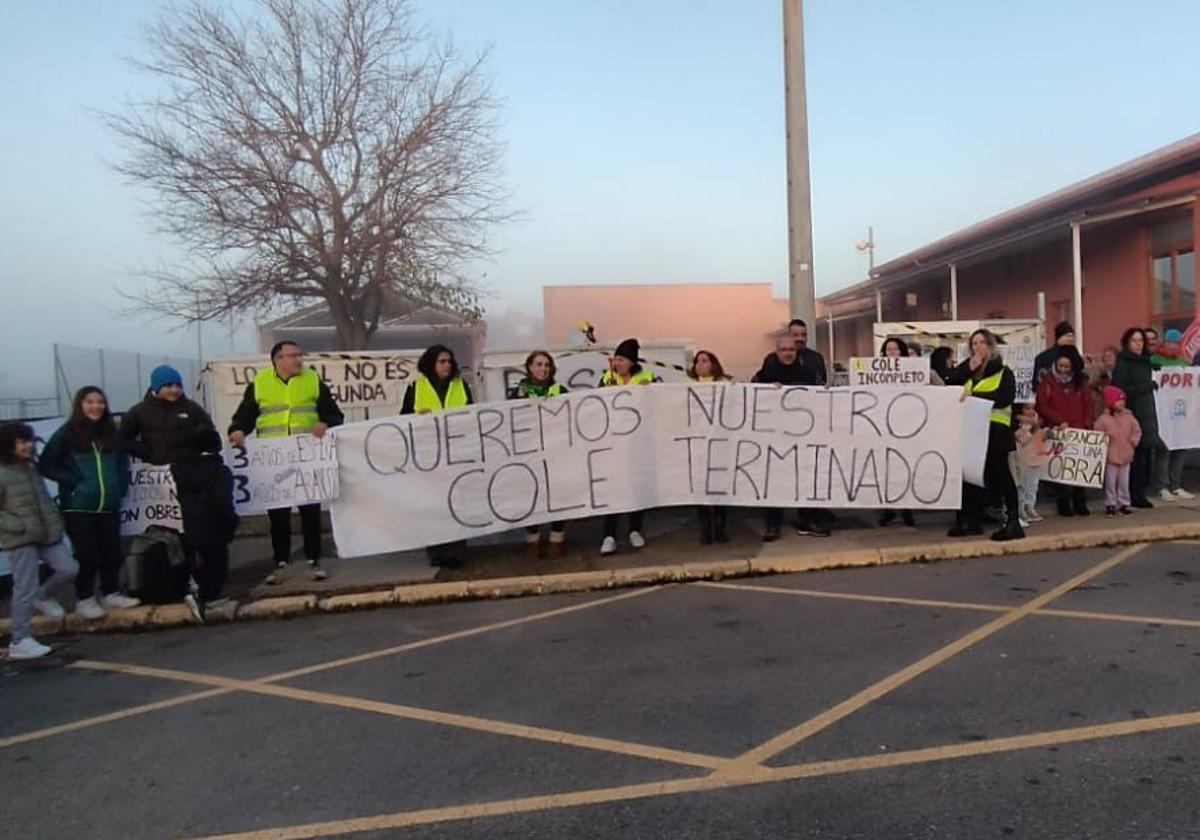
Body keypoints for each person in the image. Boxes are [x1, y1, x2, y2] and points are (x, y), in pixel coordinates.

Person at [119, 365, 238, 623]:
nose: (174, 390)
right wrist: (147, 454)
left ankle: (209, 587)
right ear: (156, 387)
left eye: (177, 385)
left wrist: (200, 439)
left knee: (201, 536)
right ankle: (178, 585)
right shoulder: (139, 412)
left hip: (191, 477)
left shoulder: (193, 409)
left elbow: (214, 441)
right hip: (162, 484)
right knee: (173, 539)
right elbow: (123, 438)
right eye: (168, 386)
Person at [228, 341, 344, 584]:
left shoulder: (312, 380)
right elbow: (246, 415)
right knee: (278, 515)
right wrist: (238, 430)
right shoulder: (260, 383)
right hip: (274, 461)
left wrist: (325, 423)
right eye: (293, 356)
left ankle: (314, 560)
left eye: (300, 355)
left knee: (310, 512)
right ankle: (281, 563)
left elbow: (334, 415)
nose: (299, 360)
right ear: (277, 359)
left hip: (307, 457)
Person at [39, 387, 140, 619]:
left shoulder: (112, 434)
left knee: (112, 551)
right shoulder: (67, 433)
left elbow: (123, 464)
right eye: (90, 402)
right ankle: (84, 599)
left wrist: (121, 486)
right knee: (87, 554)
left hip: (109, 504)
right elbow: (46, 464)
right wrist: (75, 482)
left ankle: (111, 592)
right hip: (79, 505)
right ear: (80, 405)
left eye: (100, 402)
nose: (96, 407)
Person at [1, 422, 78, 660]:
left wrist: (54, 524)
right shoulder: (3, 472)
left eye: (30, 441)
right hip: (21, 538)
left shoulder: (31, 469)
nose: (28, 446)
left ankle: (43, 596)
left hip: (45, 534)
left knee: (69, 568)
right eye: (22, 441)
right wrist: (18, 526)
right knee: (24, 587)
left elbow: (44, 500)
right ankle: (20, 639)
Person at [946, 328, 1024, 541]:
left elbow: (1004, 397)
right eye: (974, 343)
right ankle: (970, 520)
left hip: (996, 431)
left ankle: (1013, 521)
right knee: (970, 476)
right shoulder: (968, 371)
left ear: (990, 346)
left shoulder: (1003, 371)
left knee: (1001, 475)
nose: (977, 347)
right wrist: (964, 370)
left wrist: (974, 395)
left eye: (981, 343)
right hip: (972, 430)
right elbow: (950, 385)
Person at [752, 335, 832, 540]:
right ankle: (773, 525)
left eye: (792, 350)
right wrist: (767, 390)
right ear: (777, 351)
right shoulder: (768, 368)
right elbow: (752, 388)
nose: (788, 353)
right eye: (784, 349)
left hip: (803, 435)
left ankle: (807, 520)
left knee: (806, 478)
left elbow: (819, 393)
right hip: (775, 437)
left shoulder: (806, 369)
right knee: (774, 481)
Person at [402, 344, 474, 566]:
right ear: (431, 363)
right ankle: (437, 551)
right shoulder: (416, 386)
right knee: (433, 504)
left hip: (456, 452)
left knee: (456, 503)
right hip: (429, 455)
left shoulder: (461, 385)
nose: (447, 365)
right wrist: (417, 416)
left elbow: (472, 415)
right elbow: (403, 419)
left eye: (449, 361)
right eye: (442, 361)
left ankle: (456, 551)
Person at [597, 338, 657, 555]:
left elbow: (657, 404)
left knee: (635, 486)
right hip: (613, 444)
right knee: (613, 489)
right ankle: (609, 534)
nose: (618, 363)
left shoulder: (647, 378)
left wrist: (648, 391)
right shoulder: (606, 379)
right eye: (616, 359)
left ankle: (635, 529)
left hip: (638, 443)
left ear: (631, 362)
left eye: (622, 359)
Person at [508, 350, 568, 560]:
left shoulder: (559, 389)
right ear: (530, 367)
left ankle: (556, 539)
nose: (543, 369)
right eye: (539, 364)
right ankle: (532, 540)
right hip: (529, 453)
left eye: (547, 365)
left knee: (556, 495)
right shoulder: (518, 392)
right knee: (531, 495)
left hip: (554, 450)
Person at [1035, 347, 1093, 517]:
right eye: (1060, 366)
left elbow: (1088, 404)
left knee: (1079, 470)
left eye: (1066, 367)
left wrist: (1087, 423)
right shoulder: (1047, 382)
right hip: (1059, 429)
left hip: (1078, 429)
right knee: (1060, 470)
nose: (1062, 370)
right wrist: (1059, 420)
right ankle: (1063, 503)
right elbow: (1042, 405)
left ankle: (1080, 502)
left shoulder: (1081, 383)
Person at [687, 350, 733, 544]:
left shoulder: (727, 384)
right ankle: (706, 529)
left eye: (704, 361)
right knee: (701, 488)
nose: (700, 364)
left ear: (713, 364)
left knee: (719, 487)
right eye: (697, 361)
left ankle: (720, 528)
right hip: (698, 445)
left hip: (720, 445)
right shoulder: (687, 385)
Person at [1111, 328, 1159, 509]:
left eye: (1141, 341)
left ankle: (1141, 492)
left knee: (1146, 457)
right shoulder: (1123, 363)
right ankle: (1133, 494)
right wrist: (1146, 385)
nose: (1138, 344)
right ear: (1127, 343)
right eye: (1134, 340)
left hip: (1147, 414)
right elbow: (1121, 390)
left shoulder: (1146, 362)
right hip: (1132, 414)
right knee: (1135, 458)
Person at [1148, 328, 1194, 500]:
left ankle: (1176, 484)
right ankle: (1162, 486)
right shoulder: (1154, 360)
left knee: (1181, 448)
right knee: (1164, 450)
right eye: (1171, 342)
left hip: (1181, 414)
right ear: (1165, 342)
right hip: (1162, 413)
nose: (1174, 346)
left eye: (1177, 343)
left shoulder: (1184, 362)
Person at [877, 338, 916, 528]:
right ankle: (889, 510)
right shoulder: (876, 373)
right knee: (888, 471)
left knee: (907, 468)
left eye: (896, 349)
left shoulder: (915, 371)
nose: (892, 353)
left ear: (902, 352)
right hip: (885, 428)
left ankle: (907, 509)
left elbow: (939, 385)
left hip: (909, 427)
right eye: (888, 350)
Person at [1094, 386, 1141, 517]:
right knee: (1110, 482)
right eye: (1119, 400)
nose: (1122, 403)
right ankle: (1110, 504)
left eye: (1123, 400)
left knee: (1124, 482)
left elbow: (1137, 430)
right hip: (1111, 455)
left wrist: (1133, 441)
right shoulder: (1103, 419)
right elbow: (1096, 433)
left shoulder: (1129, 417)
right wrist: (1105, 436)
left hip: (1126, 454)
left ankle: (1123, 503)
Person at [758, 318, 827, 386]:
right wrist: (770, 386)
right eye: (795, 335)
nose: (800, 339)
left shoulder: (816, 358)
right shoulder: (772, 359)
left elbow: (821, 383)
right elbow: (757, 383)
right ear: (788, 335)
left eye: (803, 335)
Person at [1012, 403, 1048, 526]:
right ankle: (1021, 509)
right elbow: (1021, 440)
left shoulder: (1037, 423)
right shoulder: (1019, 425)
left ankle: (1030, 507)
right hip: (1024, 460)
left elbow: (1041, 438)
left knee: (1033, 486)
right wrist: (1031, 430)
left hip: (1036, 458)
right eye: (1027, 408)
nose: (1030, 411)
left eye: (1032, 408)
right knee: (1023, 486)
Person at [1032, 321, 1075, 392]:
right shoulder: (1044, 357)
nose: (1071, 339)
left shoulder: (1075, 357)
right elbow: (1037, 383)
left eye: (1072, 336)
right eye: (1068, 336)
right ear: (1059, 337)